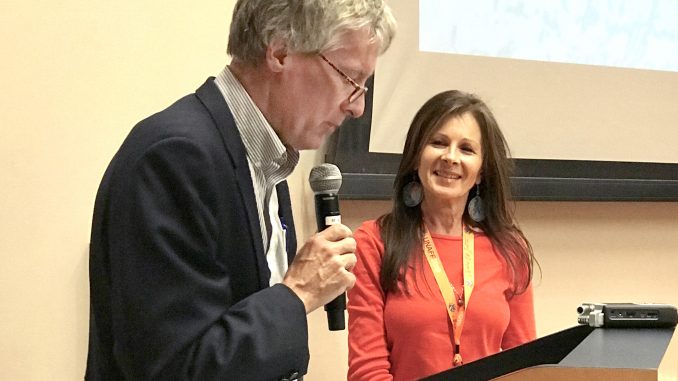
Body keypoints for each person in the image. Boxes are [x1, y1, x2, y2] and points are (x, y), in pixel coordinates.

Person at [85, 1, 396, 379]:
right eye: (349, 78)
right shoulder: (175, 157)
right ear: (280, 50)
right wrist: (298, 294)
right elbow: (176, 367)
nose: (358, 106)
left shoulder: (269, 156)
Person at [347, 90, 537, 380]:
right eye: (438, 143)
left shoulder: (511, 249)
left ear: (482, 170)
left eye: (466, 149)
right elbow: (367, 370)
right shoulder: (374, 241)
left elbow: (524, 367)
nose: (450, 157)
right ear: (415, 157)